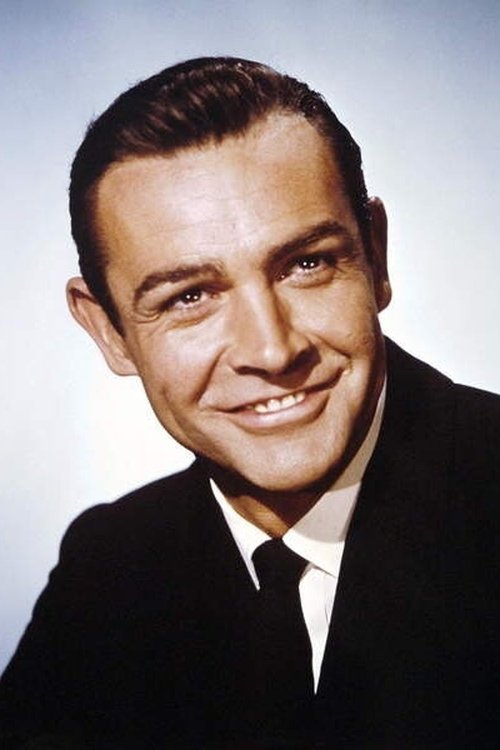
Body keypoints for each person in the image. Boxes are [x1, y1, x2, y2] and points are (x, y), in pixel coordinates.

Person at [1, 56, 499, 750]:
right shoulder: (108, 568)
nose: (271, 350)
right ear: (109, 331)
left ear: (376, 256)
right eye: (189, 297)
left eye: (306, 264)